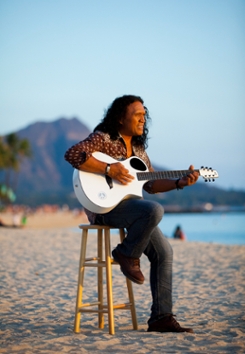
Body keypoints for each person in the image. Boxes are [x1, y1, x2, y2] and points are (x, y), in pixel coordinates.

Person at [64, 95, 199, 333]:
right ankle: (126, 253)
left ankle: (161, 318)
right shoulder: (103, 138)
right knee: (154, 210)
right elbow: (73, 155)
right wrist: (109, 168)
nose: (143, 119)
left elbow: (150, 185)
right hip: (105, 208)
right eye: (137, 115)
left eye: (144, 115)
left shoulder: (138, 149)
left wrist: (179, 182)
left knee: (165, 252)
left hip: (133, 210)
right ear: (119, 118)